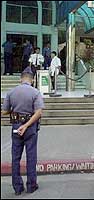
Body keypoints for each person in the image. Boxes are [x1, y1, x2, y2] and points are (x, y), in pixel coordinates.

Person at [1, 67, 44, 195]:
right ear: (33, 79)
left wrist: (14, 111)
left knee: (15, 157)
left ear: (21, 78)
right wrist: (26, 126)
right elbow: (39, 112)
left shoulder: (11, 92)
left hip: (15, 126)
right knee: (31, 156)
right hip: (30, 127)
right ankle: (31, 185)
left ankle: (17, 187)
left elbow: (4, 111)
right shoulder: (35, 92)